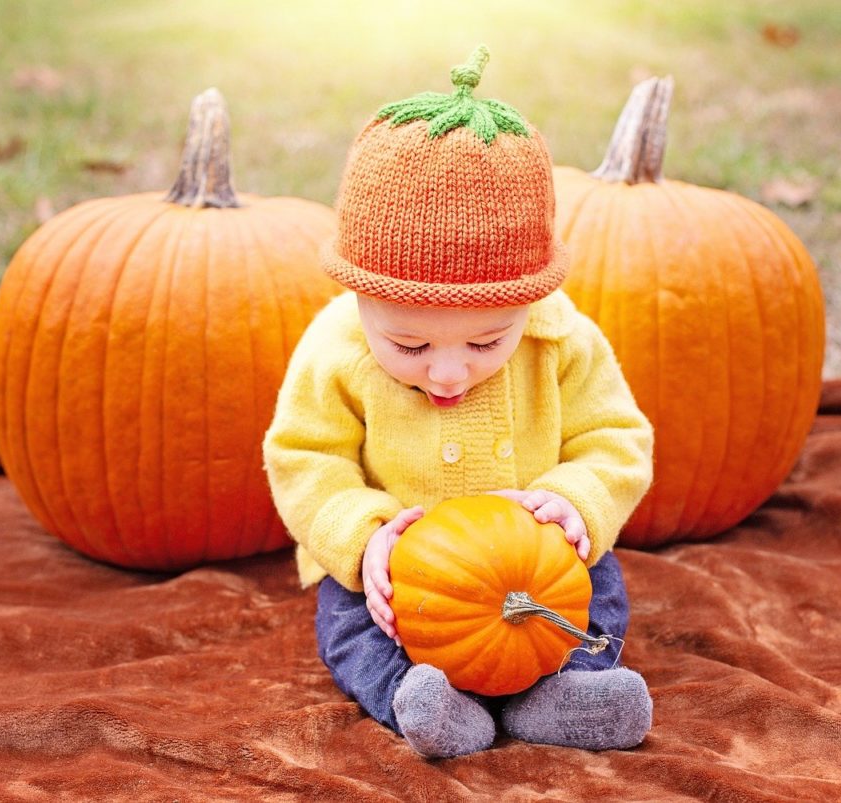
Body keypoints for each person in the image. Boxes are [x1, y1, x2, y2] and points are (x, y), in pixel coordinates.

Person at [264, 46, 654, 759]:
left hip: (532, 566)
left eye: (486, 342)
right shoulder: (336, 347)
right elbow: (303, 457)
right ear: (358, 297)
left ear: (529, 300)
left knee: (597, 585)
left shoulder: (561, 336)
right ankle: (417, 699)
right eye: (409, 347)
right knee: (351, 619)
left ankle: (567, 690)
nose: (448, 372)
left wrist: (578, 498)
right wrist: (363, 535)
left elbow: (615, 436)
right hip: (401, 576)